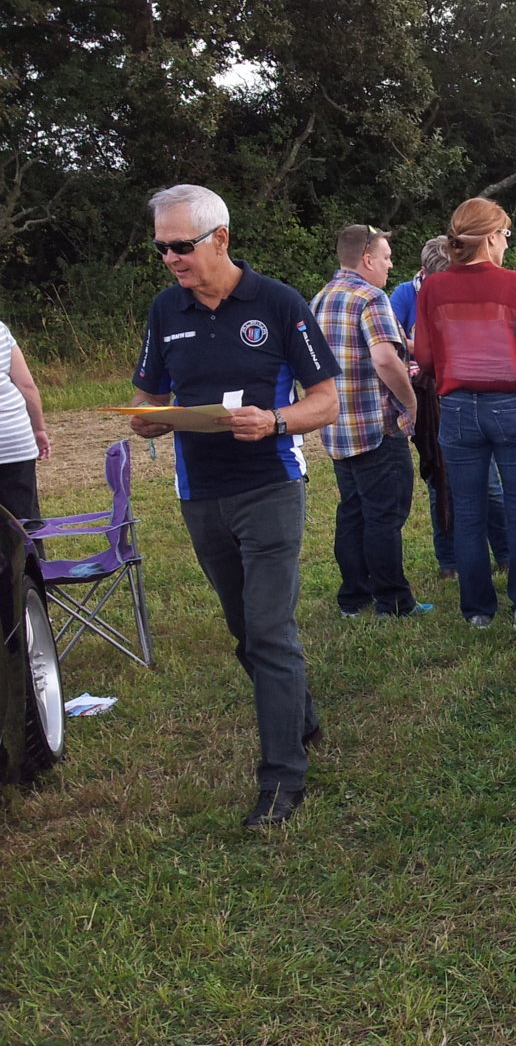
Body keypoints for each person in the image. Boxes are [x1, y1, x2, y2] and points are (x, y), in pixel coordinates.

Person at [129, 184, 339, 828]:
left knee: (271, 631)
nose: (169, 258)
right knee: (245, 631)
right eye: (161, 247)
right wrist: (154, 421)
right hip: (200, 494)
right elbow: (142, 404)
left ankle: (281, 781)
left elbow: (326, 400)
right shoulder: (167, 310)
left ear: (220, 238)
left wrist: (276, 421)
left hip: (271, 485)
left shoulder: (276, 302)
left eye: (180, 246)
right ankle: (299, 719)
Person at [412, 197, 516, 630]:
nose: (506, 244)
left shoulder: (433, 287)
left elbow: (425, 358)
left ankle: (477, 612)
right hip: (512, 407)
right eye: (505, 236)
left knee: (468, 510)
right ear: (491, 237)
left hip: (456, 410)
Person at [312, 224, 426, 619]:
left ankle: (353, 597)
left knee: (353, 510)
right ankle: (393, 601)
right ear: (367, 259)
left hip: (336, 425)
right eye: (387, 257)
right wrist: (410, 404)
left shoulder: (320, 299)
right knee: (385, 514)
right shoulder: (371, 297)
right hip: (376, 427)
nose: (390, 265)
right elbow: (384, 359)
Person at [393, 238, 510, 580]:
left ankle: (505, 554)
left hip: (467, 393)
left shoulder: (467, 289)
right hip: (428, 396)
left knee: (489, 484)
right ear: (425, 273)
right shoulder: (404, 294)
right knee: (439, 483)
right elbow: (392, 338)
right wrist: (429, 346)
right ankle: (449, 563)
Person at [0, 320, 50, 521]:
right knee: (24, 523)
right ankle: (30, 553)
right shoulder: (0, 329)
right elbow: (26, 385)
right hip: (15, 438)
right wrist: (39, 429)